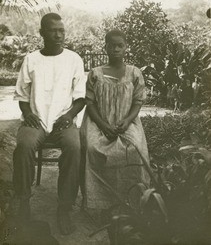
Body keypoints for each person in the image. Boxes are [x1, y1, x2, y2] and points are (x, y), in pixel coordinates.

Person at [13, 13, 86, 235]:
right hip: (36, 120)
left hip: (63, 121)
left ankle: (64, 208)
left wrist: (69, 115)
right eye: (53, 30)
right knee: (23, 147)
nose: (58, 35)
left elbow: (81, 97)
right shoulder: (31, 59)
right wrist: (27, 114)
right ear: (42, 33)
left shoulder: (74, 59)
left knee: (74, 148)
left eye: (61, 30)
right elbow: (22, 95)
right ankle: (24, 201)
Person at [80, 29, 150, 221]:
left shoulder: (134, 73)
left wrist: (127, 121)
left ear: (126, 47)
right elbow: (90, 103)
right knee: (94, 149)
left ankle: (132, 200)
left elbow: (137, 102)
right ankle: (101, 203)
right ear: (106, 47)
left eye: (120, 45)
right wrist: (103, 125)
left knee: (135, 149)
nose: (116, 49)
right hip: (99, 122)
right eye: (112, 45)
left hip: (126, 122)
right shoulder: (96, 73)